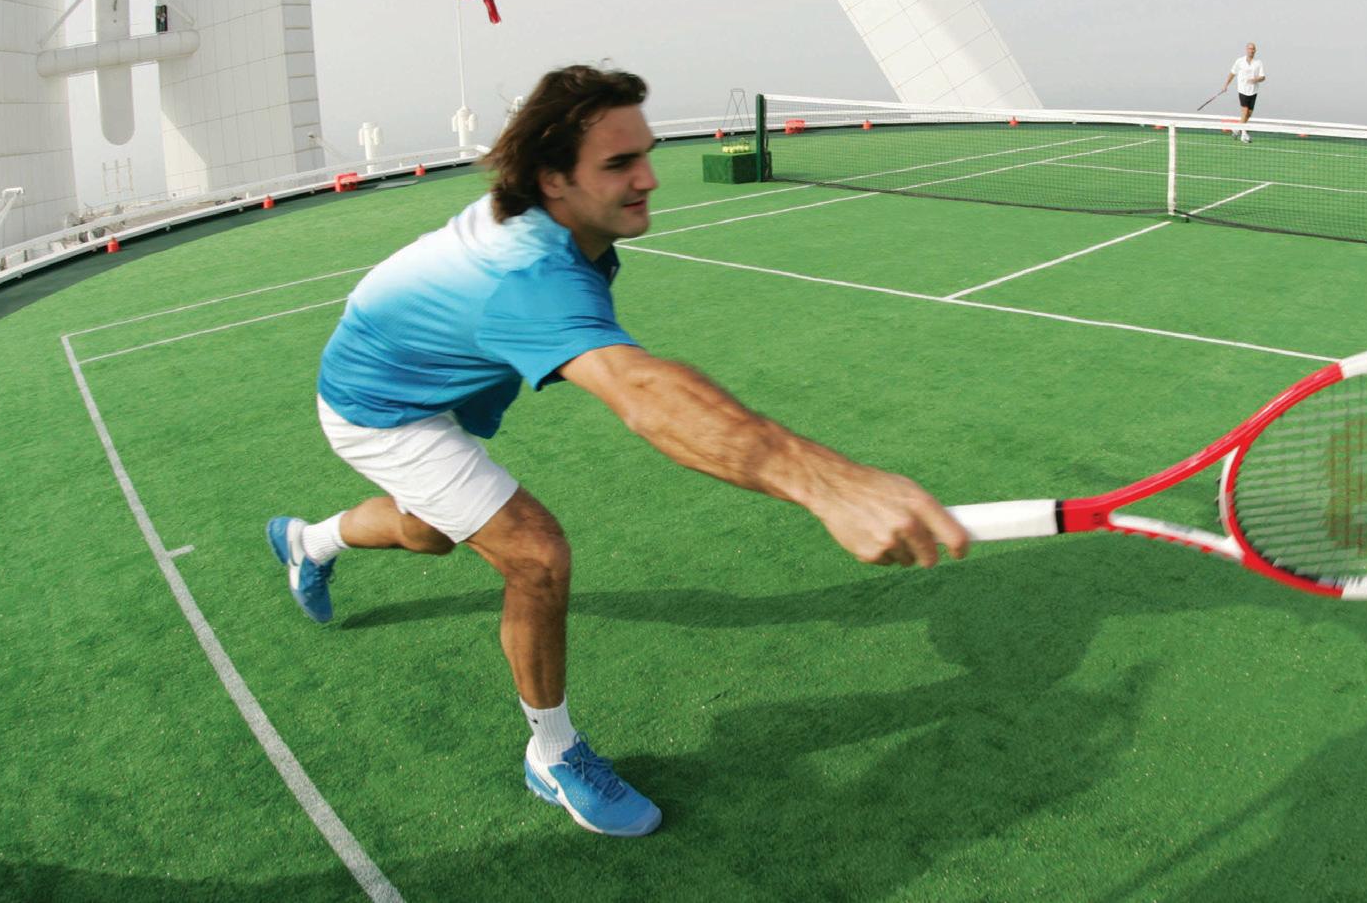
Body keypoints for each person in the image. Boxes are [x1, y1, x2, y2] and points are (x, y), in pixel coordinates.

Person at [266, 65, 968, 839]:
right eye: (618, 164)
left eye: (646, 154)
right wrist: (831, 486)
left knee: (429, 531)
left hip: (429, 374)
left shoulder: (555, 224)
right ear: (553, 180)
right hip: (380, 410)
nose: (649, 179)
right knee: (536, 555)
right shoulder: (527, 271)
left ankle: (307, 542)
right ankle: (552, 754)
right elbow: (641, 391)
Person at [1219, 42, 1266, 142]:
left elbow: (1263, 77)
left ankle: (1237, 129)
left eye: (1253, 49)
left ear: (1255, 51)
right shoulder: (1239, 61)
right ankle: (1244, 135)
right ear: (1246, 50)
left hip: (1253, 91)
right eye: (1249, 49)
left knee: (1249, 114)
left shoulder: (1258, 63)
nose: (1251, 51)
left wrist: (1255, 79)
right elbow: (1232, 73)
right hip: (1242, 90)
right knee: (1244, 111)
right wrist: (1225, 85)